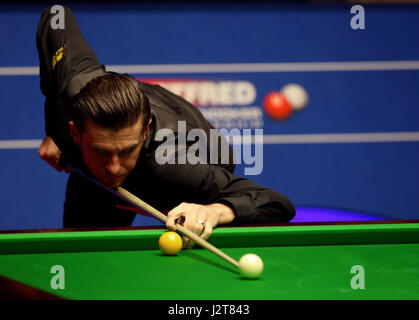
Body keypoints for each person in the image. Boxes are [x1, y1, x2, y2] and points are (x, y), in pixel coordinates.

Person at [36, 6, 295, 248]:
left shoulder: (176, 167)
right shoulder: (69, 88)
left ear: (145, 131)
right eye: (101, 150)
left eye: (126, 150)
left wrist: (212, 211)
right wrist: (53, 131)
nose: (113, 167)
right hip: (94, 168)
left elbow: (278, 204)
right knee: (83, 251)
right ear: (75, 132)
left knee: (191, 240)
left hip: (199, 158)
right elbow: (56, 14)